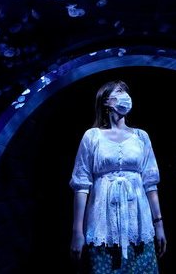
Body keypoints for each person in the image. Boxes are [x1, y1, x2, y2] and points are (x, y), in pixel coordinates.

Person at [70, 80, 166, 273]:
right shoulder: (92, 136)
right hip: (103, 226)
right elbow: (81, 185)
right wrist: (77, 231)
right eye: (119, 91)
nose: (125, 96)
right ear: (106, 101)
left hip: (138, 225)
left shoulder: (141, 137)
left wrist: (159, 224)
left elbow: (150, 183)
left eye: (126, 91)